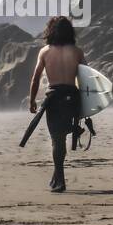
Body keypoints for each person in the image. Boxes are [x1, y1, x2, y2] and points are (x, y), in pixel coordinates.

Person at [27, 16, 85, 193]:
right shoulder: (77, 51)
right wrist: (87, 104)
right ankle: (58, 174)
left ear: (50, 31)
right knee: (63, 138)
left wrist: (32, 100)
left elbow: (36, 77)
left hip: (54, 99)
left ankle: (59, 176)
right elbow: (87, 78)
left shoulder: (45, 52)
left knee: (57, 140)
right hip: (72, 98)